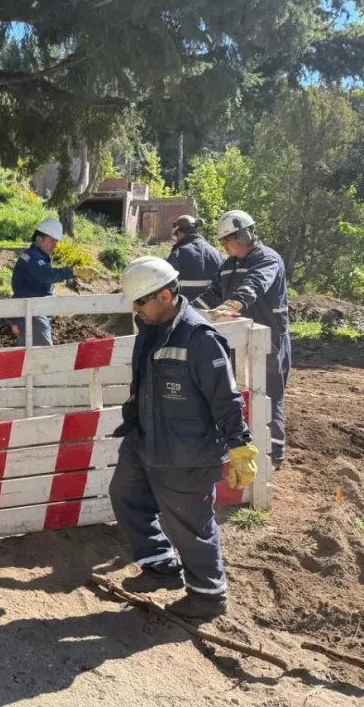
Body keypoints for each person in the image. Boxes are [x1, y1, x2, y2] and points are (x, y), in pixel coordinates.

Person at [109, 257, 259, 620]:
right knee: (125, 494)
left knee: (190, 525)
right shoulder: (151, 326)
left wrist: (239, 446)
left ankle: (208, 596)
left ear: (165, 295)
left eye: (140, 301)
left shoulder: (200, 339)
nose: (135, 309)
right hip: (146, 440)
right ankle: (160, 566)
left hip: (188, 452)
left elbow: (226, 399)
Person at [193, 210, 290, 469]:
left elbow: (256, 283)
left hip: (269, 341)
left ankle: (273, 456)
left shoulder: (267, 259)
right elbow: (211, 295)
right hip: (238, 340)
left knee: (268, 396)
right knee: (239, 394)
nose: (224, 245)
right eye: (222, 241)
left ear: (244, 236)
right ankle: (245, 447)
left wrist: (236, 302)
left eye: (228, 240)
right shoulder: (229, 266)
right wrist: (186, 312)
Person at [10, 218, 96, 346]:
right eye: (52, 240)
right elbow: (47, 275)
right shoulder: (33, 258)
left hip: (30, 315)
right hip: (34, 316)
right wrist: (73, 271)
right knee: (47, 356)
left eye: (56, 241)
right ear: (39, 239)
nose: (55, 245)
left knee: (30, 356)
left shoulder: (35, 256)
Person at [166, 215, 223, 302]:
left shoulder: (178, 253)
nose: (176, 239)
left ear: (180, 232)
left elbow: (167, 285)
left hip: (187, 308)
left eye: (176, 235)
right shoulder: (217, 253)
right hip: (213, 308)